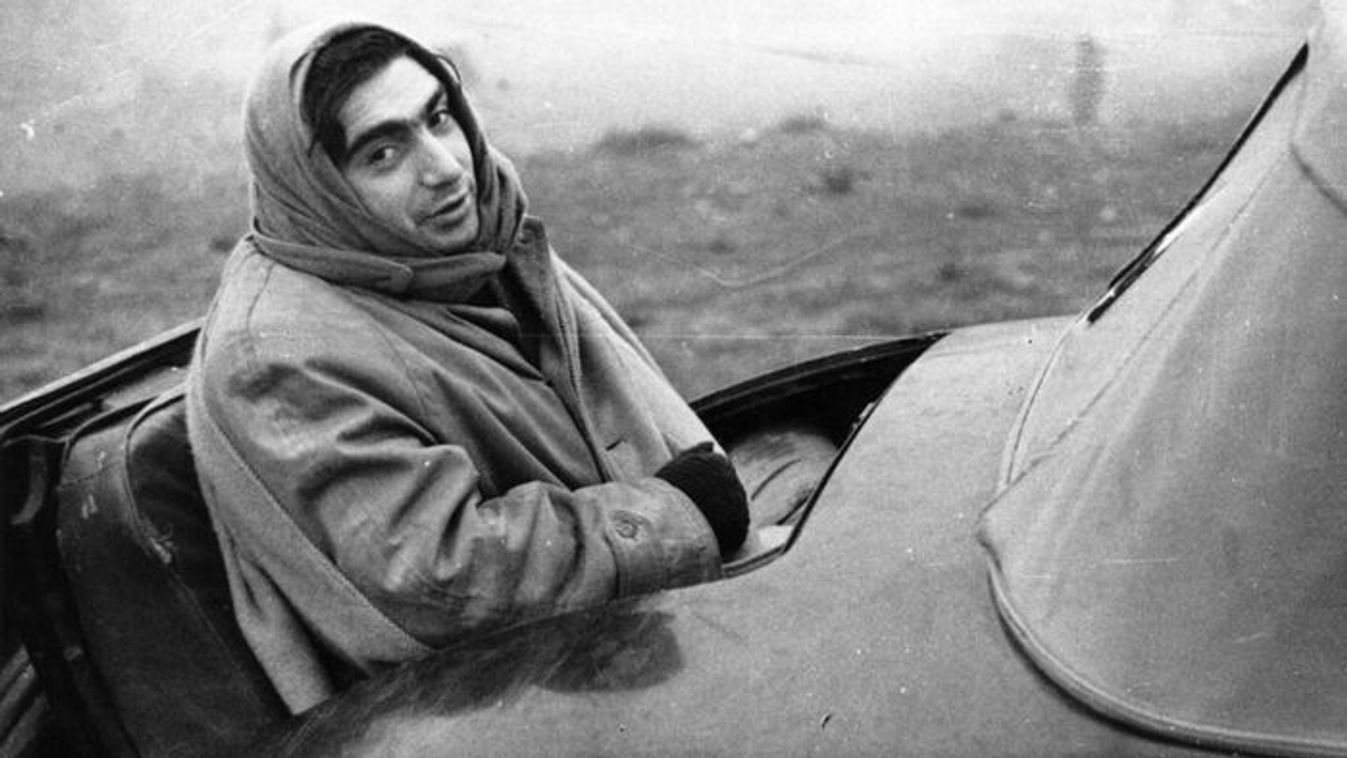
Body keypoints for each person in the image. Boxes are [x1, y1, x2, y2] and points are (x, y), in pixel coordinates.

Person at [185, 19, 749, 713]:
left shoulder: (471, 241)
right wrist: (671, 516)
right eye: (383, 153)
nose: (446, 168)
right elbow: (434, 578)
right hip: (479, 704)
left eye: (438, 118)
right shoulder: (275, 356)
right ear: (317, 188)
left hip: (611, 629)